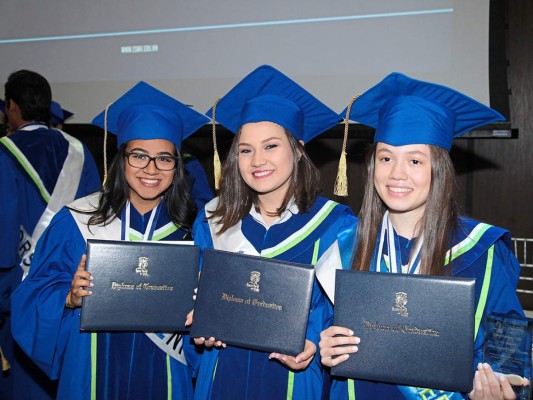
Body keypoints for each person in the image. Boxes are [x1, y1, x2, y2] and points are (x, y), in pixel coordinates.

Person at [319, 72, 526, 400]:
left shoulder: (482, 251)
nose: (396, 173)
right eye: (386, 157)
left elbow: (509, 347)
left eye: (415, 160)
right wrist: (326, 346)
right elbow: (327, 332)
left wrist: (496, 384)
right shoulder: (347, 246)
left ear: (439, 170)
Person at [11, 81, 210, 399]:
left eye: (164, 158)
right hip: (91, 374)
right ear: (122, 158)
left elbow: (208, 334)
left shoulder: (195, 232)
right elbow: (31, 299)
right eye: (139, 156)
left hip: (167, 377)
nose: (151, 169)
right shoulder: (78, 221)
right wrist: (69, 298)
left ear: (177, 166)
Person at [190, 65, 358, 400]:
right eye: (246, 149)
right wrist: (200, 321)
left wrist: (311, 337)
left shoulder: (336, 226)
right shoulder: (212, 221)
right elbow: (196, 294)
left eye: (270, 146)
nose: (257, 160)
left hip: (294, 379)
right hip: (223, 373)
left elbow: (348, 313)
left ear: (297, 149)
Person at [0, 70, 101, 400]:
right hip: (73, 286)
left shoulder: (4, 153)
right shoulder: (80, 152)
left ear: (12, 106)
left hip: (18, 288)